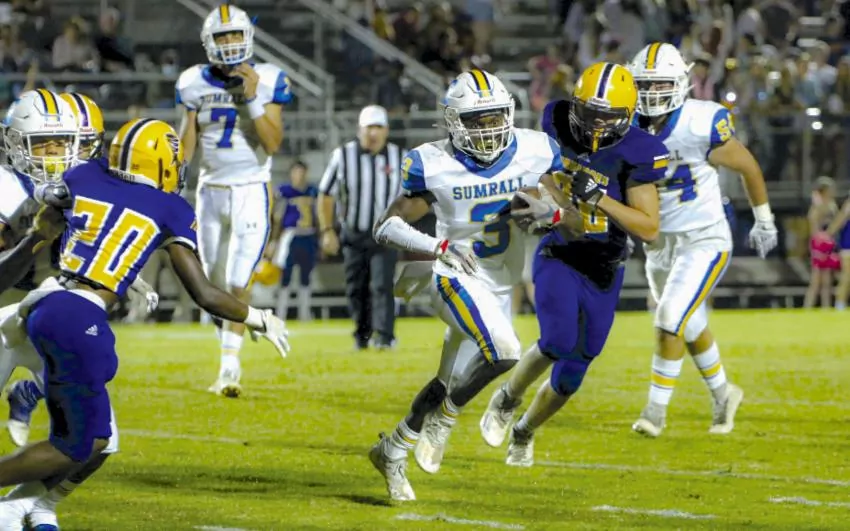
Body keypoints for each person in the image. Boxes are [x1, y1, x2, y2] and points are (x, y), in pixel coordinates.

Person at [0, 118, 290, 527]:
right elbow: (204, 293)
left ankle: (21, 504)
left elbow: (85, 223)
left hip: (48, 303)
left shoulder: (85, 175)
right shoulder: (170, 207)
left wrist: (125, 272)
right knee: (75, 445)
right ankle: (17, 495)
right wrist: (258, 317)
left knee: (100, 438)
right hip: (78, 315)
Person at [368, 69, 564, 500]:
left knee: (448, 379)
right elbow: (386, 226)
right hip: (454, 275)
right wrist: (437, 246)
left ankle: (392, 449)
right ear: (454, 122)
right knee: (506, 351)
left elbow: (556, 203)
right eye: (477, 120)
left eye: (495, 117)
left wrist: (549, 212)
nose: (488, 128)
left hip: (499, 284)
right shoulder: (433, 162)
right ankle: (447, 415)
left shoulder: (535, 150)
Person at [478, 63, 669, 466]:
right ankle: (507, 397)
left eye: (606, 116)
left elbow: (649, 228)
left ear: (627, 115)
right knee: (557, 340)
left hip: (605, 266)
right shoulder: (558, 119)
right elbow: (542, 172)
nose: (596, 123)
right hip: (561, 252)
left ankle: (524, 430)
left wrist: (600, 197)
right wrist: (556, 206)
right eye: (590, 112)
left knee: (571, 375)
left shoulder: (639, 151)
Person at [624, 43, 777, 437]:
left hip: (704, 237)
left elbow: (747, 166)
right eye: (645, 85)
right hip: (659, 245)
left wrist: (764, 219)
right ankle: (724, 394)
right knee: (689, 324)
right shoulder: (625, 126)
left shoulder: (700, 121)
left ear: (680, 83)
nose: (653, 93)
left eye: (661, 84)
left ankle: (655, 412)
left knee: (669, 318)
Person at [176, 3, 292, 397]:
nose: (229, 42)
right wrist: (174, 180)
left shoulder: (269, 78)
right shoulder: (192, 82)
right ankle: (248, 322)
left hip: (250, 188)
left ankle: (230, 367)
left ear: (249, 36)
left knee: (239, 280)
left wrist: (252, 97)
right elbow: (187, 140)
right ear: (209, 42)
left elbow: (272, 143)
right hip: (209, 191)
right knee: (209, 286)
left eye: (235, 34)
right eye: (222, 36)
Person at [317, 105, 405, 350]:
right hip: (354, 233)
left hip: (386, 234)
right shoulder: (343, 155)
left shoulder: (401, 157)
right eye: (369, 128)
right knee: (356, 287)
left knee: (382, 284)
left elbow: (412, 197)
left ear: (386, 130)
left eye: (378, 127)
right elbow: (325, 194)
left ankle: (385, 336)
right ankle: (362, 335)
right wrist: (327, 230)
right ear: (359, 130)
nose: (373, 133)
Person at [267, 160, 318, 321]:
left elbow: (318, 215)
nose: (299, 175)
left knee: (306, 276)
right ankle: (281, 313)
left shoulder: (313, 191)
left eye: (302, 171)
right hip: (290, 236)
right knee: (285, 275)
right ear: (291, 173)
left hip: (308, 235)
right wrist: (274, 241)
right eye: (296, 171)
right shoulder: (284, 191)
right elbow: (277, 217)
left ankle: (305, 312)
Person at [805, 177, 840, 309]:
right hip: (819, 242)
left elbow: (836, 221)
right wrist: (817, 244)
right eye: (830, 189)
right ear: (824, 191)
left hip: (829, 241)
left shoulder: (832, 204)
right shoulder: (817, 204)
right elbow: (813, 223)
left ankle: (826, 307)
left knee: (827, 278)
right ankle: (808, 307)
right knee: (816, 278)